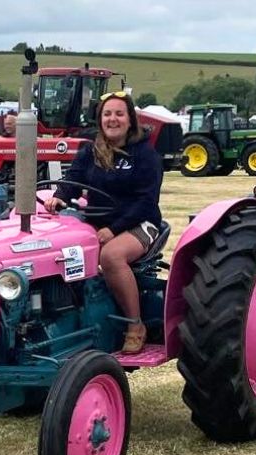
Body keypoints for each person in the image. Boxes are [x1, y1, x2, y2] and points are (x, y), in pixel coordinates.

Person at [44, 91, 163, 354]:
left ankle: (135, 324)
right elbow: (73, 179)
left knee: (111, 256)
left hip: (139, 222)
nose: (113, 119)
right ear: (100, 120)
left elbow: (146, 201)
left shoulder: (145, 155)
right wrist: (59, 197)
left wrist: (114, 229)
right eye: (107, 114)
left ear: (130, 120)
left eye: (119, 114)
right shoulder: (90, 151)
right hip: (97, 221)